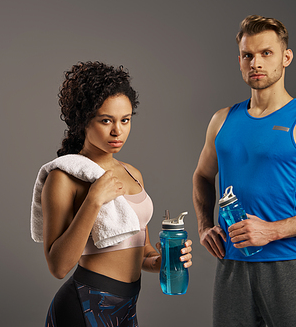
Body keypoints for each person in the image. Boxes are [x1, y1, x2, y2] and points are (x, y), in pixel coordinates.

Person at [192, 15, 296, 326]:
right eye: (248, 55)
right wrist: (203, 226)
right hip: (232, 266)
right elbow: (202, 175)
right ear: (239, 59)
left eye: (266, 53)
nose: (256, 63)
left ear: (286, 57)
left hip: (286, 265)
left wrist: (271, 231)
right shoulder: (222, 120)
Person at [32, 61, 192, 327]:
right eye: (106, 120)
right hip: (83, 306)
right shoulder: (64, 177)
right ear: (83, 120)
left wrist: (162, 260)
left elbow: (142, 252)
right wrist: (94, 199)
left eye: (125, 120)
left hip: (126, 307)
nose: (118, 131)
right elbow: (58, 267)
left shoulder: (133, 174)